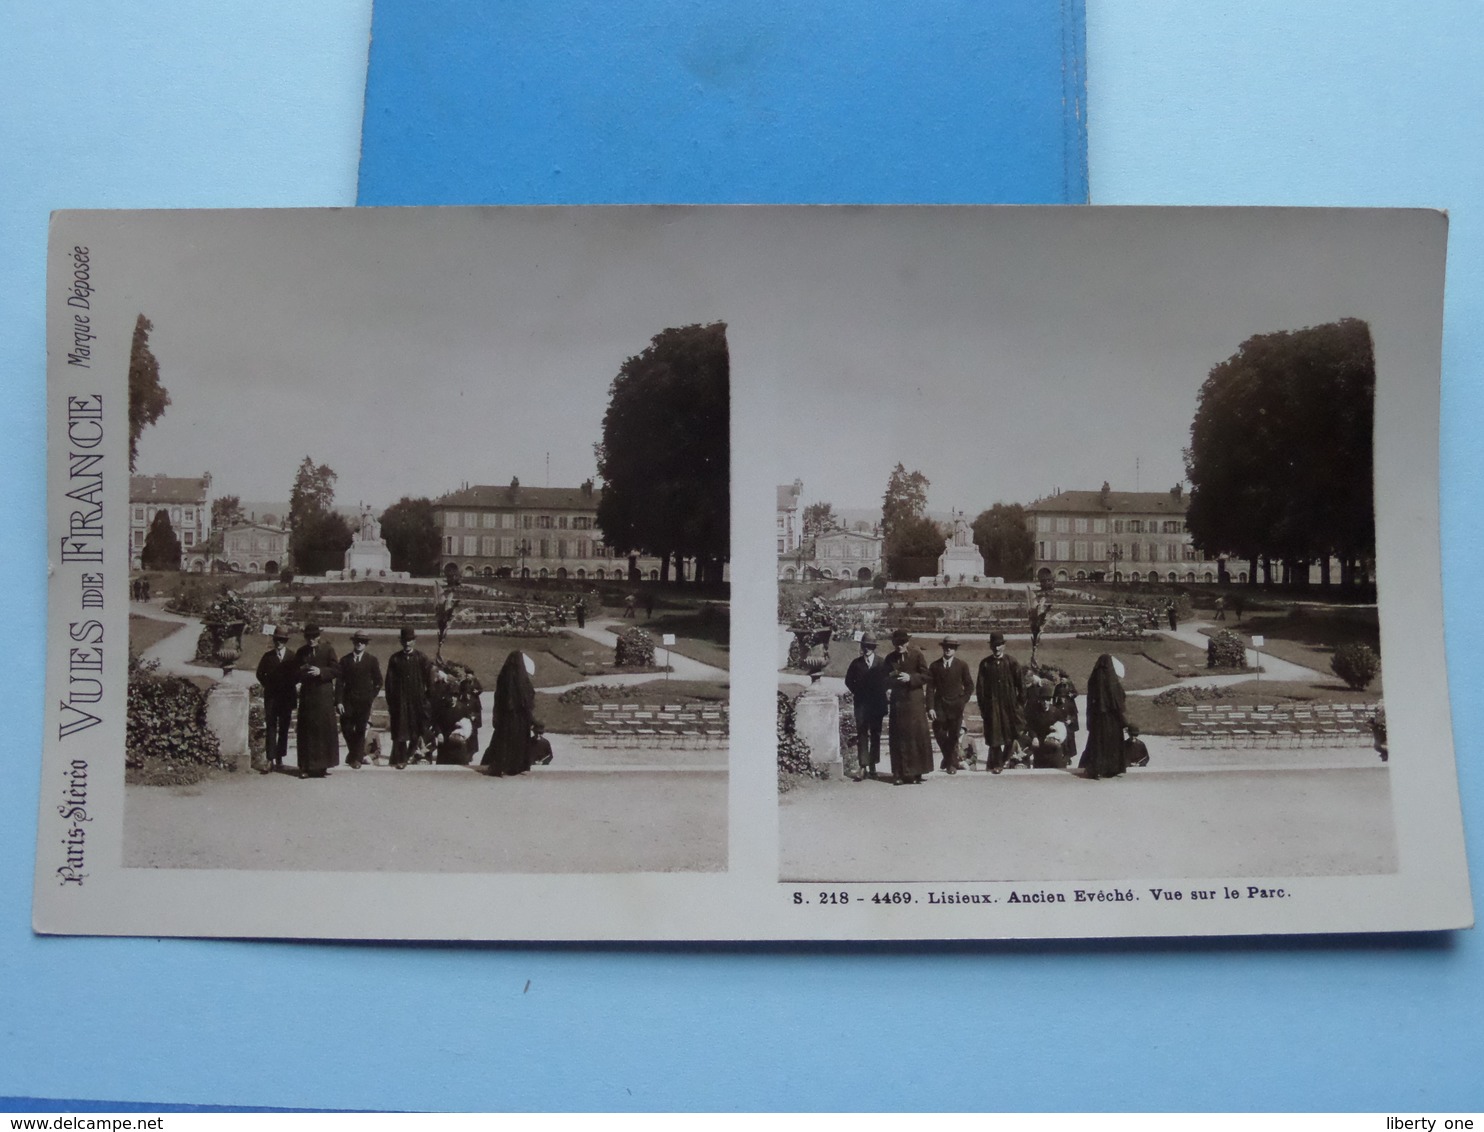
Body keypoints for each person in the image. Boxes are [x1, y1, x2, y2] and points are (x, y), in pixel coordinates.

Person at [883, 629, 932, 785]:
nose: (899, 646)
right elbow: (885, 677)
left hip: (914, 702)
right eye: (896, 643)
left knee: (916, 736)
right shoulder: (890, 659)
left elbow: (926, 676)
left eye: (902, 643)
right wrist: (891, 683)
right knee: (898, 737)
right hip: (898, 703)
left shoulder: (917, 655)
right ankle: (898, 773)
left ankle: (917, 772)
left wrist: (911, 677)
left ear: (908, 642)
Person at [293, 624, 340, 778]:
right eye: (308, 637)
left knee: (323, 730)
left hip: (323, 696)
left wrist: (321, 671)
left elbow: (336, 670)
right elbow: (294, 672)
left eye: (314, 637)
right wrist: (300, 672)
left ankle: (322, 766)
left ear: (319, 637)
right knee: (307, 731)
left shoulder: (328, 650)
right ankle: (306, 767)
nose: (311, 640)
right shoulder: (301, 652)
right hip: (308, 696)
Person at [483, 649, 539, 776]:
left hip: (506, 716)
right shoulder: (523, 679)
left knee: (504, 741)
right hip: (521, 718)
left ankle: (500, 766)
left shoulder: (503, 677)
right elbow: (529, 697)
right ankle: (516, 766)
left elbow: (499, 697)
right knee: (518, 742)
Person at [384, 626, 434, 769]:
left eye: (410, 640)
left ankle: (410, 755)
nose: (407, 643)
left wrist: (427, 701)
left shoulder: (421, 658)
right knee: (400, 731)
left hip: (417, 702)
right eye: (405, 641)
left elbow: (429, 682)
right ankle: (401, 759)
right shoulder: (395, 659)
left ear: (414, 642)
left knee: (416, 730)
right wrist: (391, 702)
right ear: (401, 642)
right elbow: (389, 683)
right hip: (400, 702)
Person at [975, 632, 1025, 773]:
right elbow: (980, 688)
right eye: (994, 646)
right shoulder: (985, 664)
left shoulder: (1012, 662)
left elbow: (1021, 686)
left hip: (1009, 707)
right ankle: (997, 764)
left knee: (1011, 736)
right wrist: (984, 707)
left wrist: (1019, 705)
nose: (997, 648)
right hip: (992, 707)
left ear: (1004, 645)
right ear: (990, 646)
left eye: (999, 645)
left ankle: (1003, 761)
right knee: (994, 737)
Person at [844, 633, 890, 780]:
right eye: (865, 646)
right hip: (862, 705)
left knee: (875, 735)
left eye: (870, 646)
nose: (867, 649)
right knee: (862, 734)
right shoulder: (856, 664)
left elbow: (888, 680)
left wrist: (883, 692)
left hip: (877, 705)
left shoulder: (882, 663)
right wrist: (858, 692)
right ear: (862, 647)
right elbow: (848, 681)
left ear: (874, 648)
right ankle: (862, 766)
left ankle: (873, 765)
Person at [926, 635, 974, 774]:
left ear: (955, 649)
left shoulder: (962, 665)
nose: (948, 649)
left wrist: (962, 701)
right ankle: (949, 758)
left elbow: (969, 686)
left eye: (951, 647)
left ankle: (950, 764)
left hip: (955, 707)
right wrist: (930, 707)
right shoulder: (935, 666)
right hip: (939, 706)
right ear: (943, 648)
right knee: (939, 732)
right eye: (946, 647)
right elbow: (930, 688)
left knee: (953, 736)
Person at [336, 629, 383, 769]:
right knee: (346, 728)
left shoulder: (371, 660)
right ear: (354, 642)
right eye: (357, 641)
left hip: (364, 703)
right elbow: (339, 682)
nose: (359, 644)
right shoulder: (345, 660)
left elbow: (379, 682)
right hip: (347, 701)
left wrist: (370, 697)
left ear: (366, 644)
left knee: (361, 730)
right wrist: (338, 701)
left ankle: (356, 759)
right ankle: (355, 753)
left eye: (362, 642)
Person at [1080, 653, 1130, 780]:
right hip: (1112, 720)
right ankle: (1112, 769)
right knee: (1112, 744)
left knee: (1098, 744)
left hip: (1098, 719)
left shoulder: (1094, 679)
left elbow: (1090, 699)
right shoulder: (1112, 680)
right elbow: (1120, 699)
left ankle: (1096, 769)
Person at [255, 626, 297, 773]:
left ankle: (280, 756)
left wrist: (290, 685)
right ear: (273, 640)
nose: (279, 643)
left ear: (285, 641)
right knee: (271, 727)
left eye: (282, 640)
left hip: (286, 698)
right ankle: (270, 758)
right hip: (272, 697)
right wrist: (268, 685)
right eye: (277, 640)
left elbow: (297, 675)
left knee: (284, 728)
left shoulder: (292, 657)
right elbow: (260, 674)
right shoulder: (268, 657)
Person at [1053, 678, 1080, 763]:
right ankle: (1063, 754)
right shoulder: (1057, 704)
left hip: (1069, 716)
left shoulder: (1070, 685)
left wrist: (1071, 720)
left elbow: (1076, 694)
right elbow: (1054, 696)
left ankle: (1069, 756)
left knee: (1070, 738)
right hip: (1061, 721)